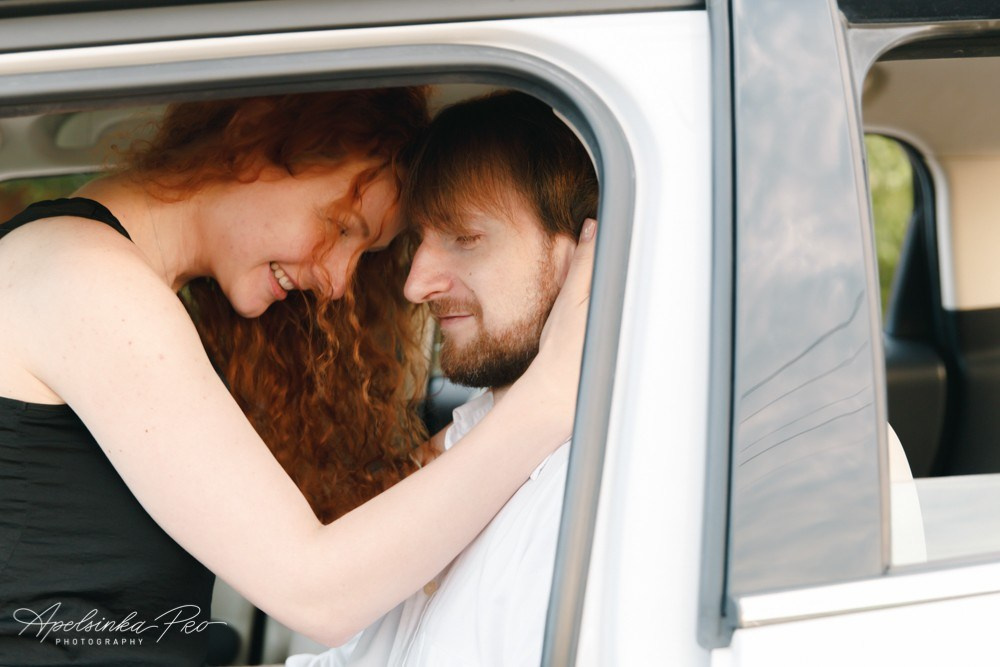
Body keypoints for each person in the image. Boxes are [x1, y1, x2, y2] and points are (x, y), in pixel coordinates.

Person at [0, 88, 594, 666]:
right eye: (341, 226)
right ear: (252, 139)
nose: (337, 281)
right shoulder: (84, 279)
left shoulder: (121, 287)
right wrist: (551, 394)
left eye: (364, 253)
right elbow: (318, 591)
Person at [288, 90, 599, 666]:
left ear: (588, 252)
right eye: (421, 241)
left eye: (464, 238)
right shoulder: (471, 446)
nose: (416, 284)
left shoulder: (595, 498)